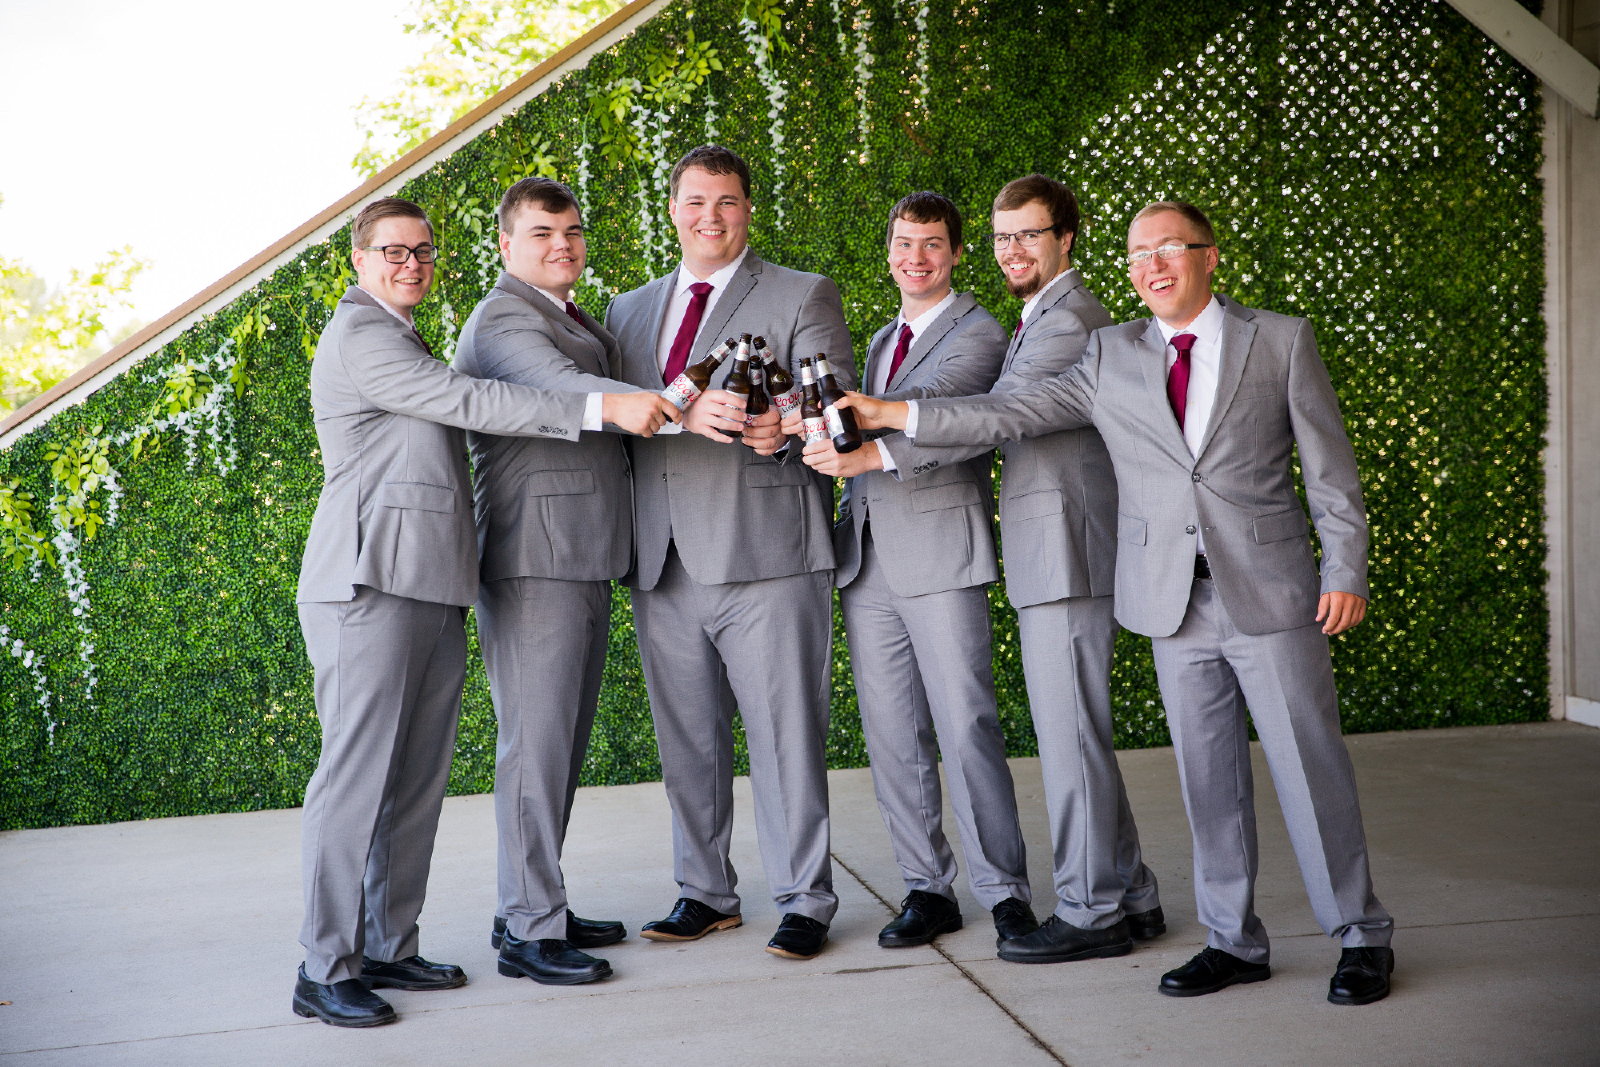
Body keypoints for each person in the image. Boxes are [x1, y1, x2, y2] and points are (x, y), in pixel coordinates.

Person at [836, 200, 1396, 1005]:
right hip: (1172, 601)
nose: (1153, 265)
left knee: (1310, 768)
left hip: (1271, 593)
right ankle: (1232, 940)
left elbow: (1331, 471)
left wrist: (1346, 568)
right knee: (1208, 781)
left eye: (1170, 248)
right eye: (1140, 254)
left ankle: (1361, 934)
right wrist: (895, 412)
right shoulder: (1112, 352)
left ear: (1209, 256)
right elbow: (1015, 410)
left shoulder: (1279, 339)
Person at [292, 197, 678, 1027]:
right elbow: (469, 401)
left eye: (423, 252)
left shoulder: (402, 331)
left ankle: (389, 946)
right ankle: (324, 964)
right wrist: (598, 406)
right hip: (366, 582)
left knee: (415, 780)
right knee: (355, 780)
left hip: (432, 581)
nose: (411, 264)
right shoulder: (361, 334)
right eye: (393, 252)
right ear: (357, 260)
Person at [834, 175, 1163, 965]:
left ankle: (1087, 909)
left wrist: (882, 421)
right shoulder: (1025, 317)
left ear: (1067, 240)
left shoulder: (1065, 320)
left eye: (1030, 235)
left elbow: (1001, 413)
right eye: (1004, 236)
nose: (1015, 249)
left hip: (1060, 546)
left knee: (1057, 732)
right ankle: (1135, 894)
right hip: (1005, 544)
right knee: (1067, 732)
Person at [605, 144, 853, 962]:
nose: (710, 215)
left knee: (787, 733)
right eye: (695, 200)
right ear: (672, 207)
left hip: (769, 550)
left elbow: (831, 414)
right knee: (688, 740)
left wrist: (785, 432)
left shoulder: (800, 292)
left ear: (749, 208)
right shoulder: (627, 309)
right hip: (663, 555)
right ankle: (706, 891)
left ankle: (805, 898)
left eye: (728, 201)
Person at [790, 191, 1037, 951]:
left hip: (941, 555)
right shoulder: (879, 337)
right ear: (889, 250)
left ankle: (1004, 892)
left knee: (966, 727)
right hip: (867, 561)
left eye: (932, 245)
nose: (915, 259)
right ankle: (927, 886)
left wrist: (839, 425)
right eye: (904, 244)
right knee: (893, 735)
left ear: (958, 253)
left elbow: (939, 412)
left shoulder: (980, 332)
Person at [452, 177, 658, 987]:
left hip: (583, 549)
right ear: (507, 246)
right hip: (535, 555)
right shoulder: (505, 317)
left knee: (557, 747)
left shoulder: (576, 316)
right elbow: (557, 389)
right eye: (542, 234)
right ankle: (531, 932)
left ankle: (531, 903)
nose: (562, 244)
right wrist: (633, 401)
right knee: (535, 747)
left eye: (571, 230)